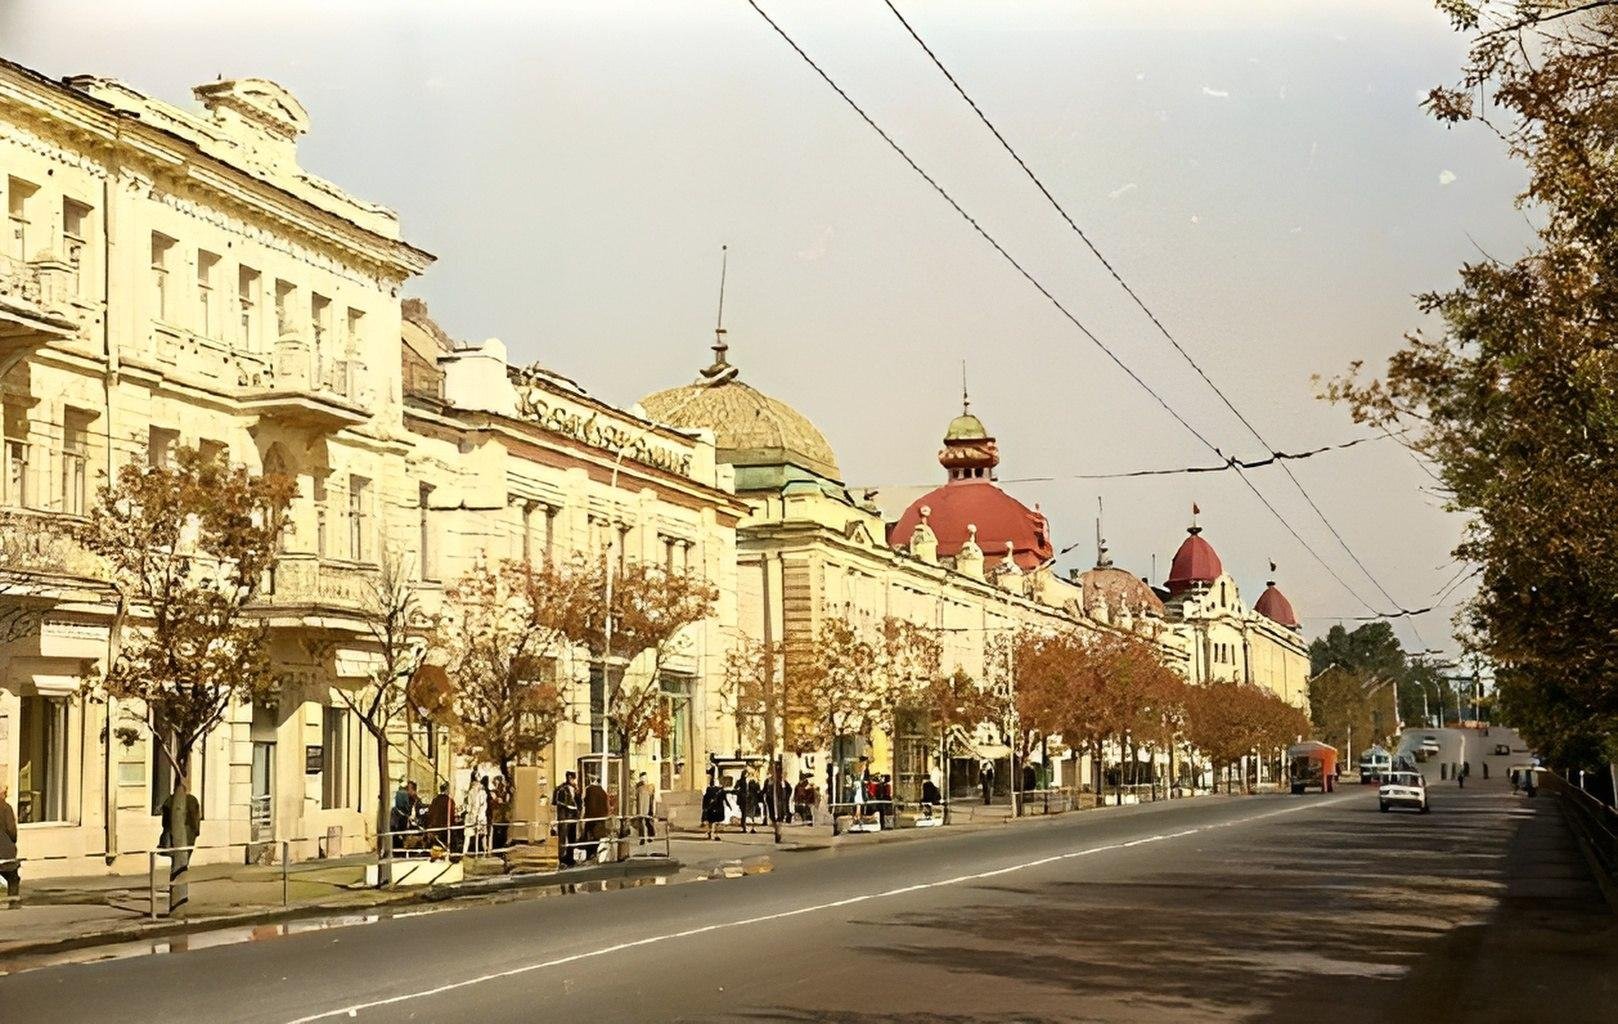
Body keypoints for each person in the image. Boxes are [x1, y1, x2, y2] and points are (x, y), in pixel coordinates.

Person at [159, 779, 202, 916]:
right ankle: (180, 895)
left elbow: (165, 822)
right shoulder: (192, 800)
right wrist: (195, 832)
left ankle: (178, 893)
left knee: (177, 863)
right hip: (189, 834)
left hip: (175, 834)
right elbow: (197, 819)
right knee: (183, 863)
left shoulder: (169, 801)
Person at [552, 771, 580, 863]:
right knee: (563, 836)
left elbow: (578, 802)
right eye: (572, 778)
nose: (573, 781)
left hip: (573, 815)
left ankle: (570, 856)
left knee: (572, 836)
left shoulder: (575, 789)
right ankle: (562, 856)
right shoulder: (561, 789)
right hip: (565, 815)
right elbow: (556, 803)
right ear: (568, 778)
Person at [581, 777, 610, 861]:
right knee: (597, 837)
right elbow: (606, 805)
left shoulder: (588, 790)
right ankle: (594, 853)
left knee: (589, 836)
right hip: (600, 818)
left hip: (590, 817)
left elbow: (584, 803)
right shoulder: (603, 792)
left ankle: (589, 855)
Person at [462, 774, 490, 857]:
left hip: (475, 816)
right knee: (479, 835)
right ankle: (483, 852)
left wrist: (478, 816)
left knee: (479, 835)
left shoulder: (480, 792)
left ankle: (484, 851)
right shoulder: (475, 792)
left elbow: (482, 806)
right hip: (474, 816)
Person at [0, 782, 19, 899]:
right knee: (13, 877)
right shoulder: (6, 808)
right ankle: (13, 901)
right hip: (5, 851)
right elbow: (12, 831)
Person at [425, 782, 456, 853]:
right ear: (447, 789)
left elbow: (430, 813)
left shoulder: (435, 800)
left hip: (434, 826)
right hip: (445, 827)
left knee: (436, 844)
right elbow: (451, 815)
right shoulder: (450, 801)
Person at [701, 773, 727, 840]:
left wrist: (704, 808)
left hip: (710, 808)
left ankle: (710, 832)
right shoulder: (719, 790)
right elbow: (723, 799)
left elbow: (705, 799)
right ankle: (715, 834)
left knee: (711, 821)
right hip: (717, 808)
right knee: (716, 822)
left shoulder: (708, 790)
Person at [633, 772, 657, 840]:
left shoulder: (650, 787)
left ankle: (651, 836)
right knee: (641, 823)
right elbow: (636, 798)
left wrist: (653, 808)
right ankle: (642, 837)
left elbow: (652, 798)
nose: (643, 779)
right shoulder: (638, 787)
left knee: (648, 822)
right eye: (642, 778)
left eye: (644, 777)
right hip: (640, 807)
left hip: (648, 807)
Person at [490, 776, 511, 852]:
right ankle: (497, 847)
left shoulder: (506, 793)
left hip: (504, 815)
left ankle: (502, 847)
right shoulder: (493, 792)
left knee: (504, 831)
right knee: (496, 831)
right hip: (497, 815)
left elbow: (506, 802)